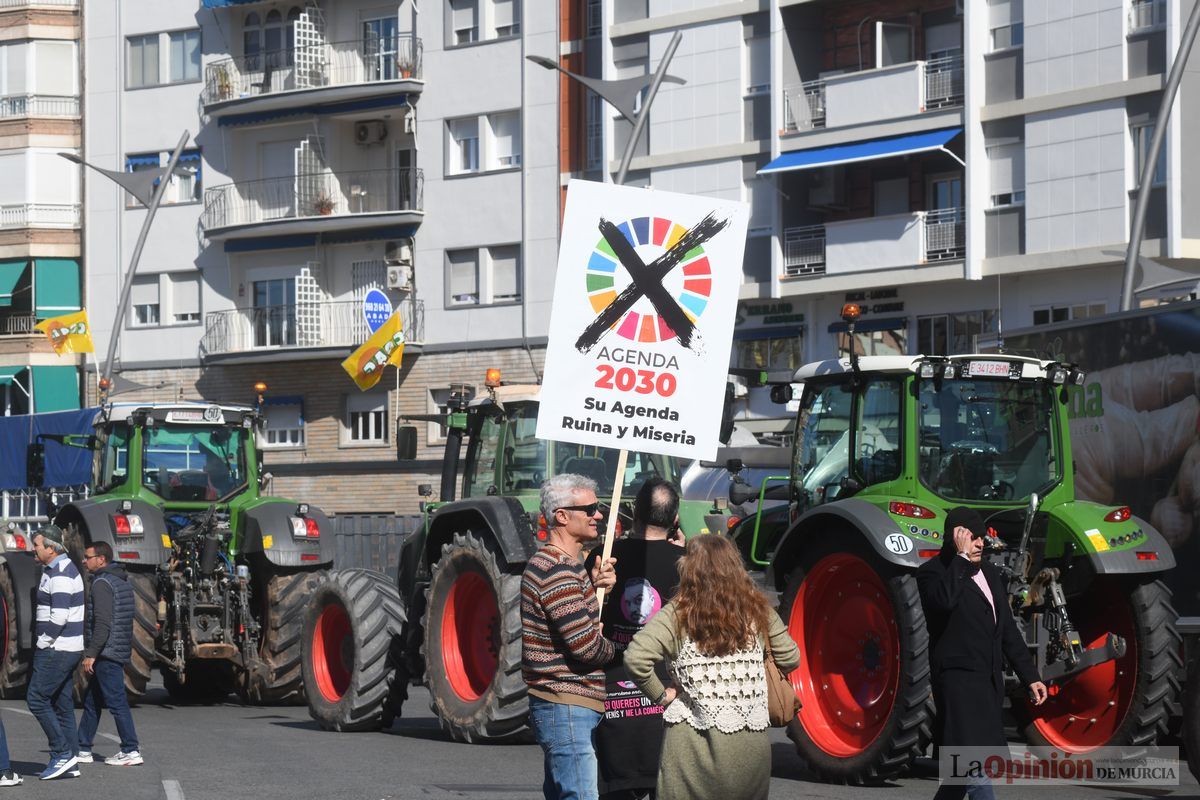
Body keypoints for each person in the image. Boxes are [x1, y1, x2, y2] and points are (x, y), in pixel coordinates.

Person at [624, 535, 799, 800]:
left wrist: (661, 696)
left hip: (691, 749)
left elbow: (635, 658)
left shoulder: (678, 614)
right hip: (750, 750)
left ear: (689, 571)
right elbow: (790, 657)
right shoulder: (759, 610)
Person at [916, 507, 1049, 800]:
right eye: (973, 538)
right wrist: (961, 560)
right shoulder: (932, 574)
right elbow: (943, 603)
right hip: (958, 685)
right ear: (957, 538)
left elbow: (1006, 632)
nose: (980, 544)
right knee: (975, 771)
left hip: (987, 684)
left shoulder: (989, 572)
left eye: (982, 538)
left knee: (959, 776)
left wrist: (1030, 676)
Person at [584, 478, 685, 800]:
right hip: (667, 693)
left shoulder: (605, 557)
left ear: (633, 514)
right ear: (675, 520)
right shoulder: (687, 564)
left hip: (611, 693)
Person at [522, 474, 617, 800]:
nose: (598, 515)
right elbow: (586, 647)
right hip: (567, 705)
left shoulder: (563, 566)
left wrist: (593, 587)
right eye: (589, 508)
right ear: (561, 516)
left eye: (599, 507)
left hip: (565, 705)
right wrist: (610, 646)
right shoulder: (557, 570)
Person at [77, 541, 142, 767]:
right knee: (93, 700)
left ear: (101, 559)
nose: (84, 561)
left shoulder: (101, 583)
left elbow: (102, 623)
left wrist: (91, 653)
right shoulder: (121, 582)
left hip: (106, 652)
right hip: (115, 649)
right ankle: (83, 747)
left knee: (116, 702)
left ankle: (130, 749)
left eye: (88, 557)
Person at [29, 523, 84, 780]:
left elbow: (60, 615)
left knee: (36, 699)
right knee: (62, 705)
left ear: (51, 548)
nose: (34, 550)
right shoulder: (58, 569)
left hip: (57, 648)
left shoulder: (60, 573)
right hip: (65, 647)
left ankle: (61, 753)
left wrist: (43, 641)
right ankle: (70, 761)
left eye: (37, 546)